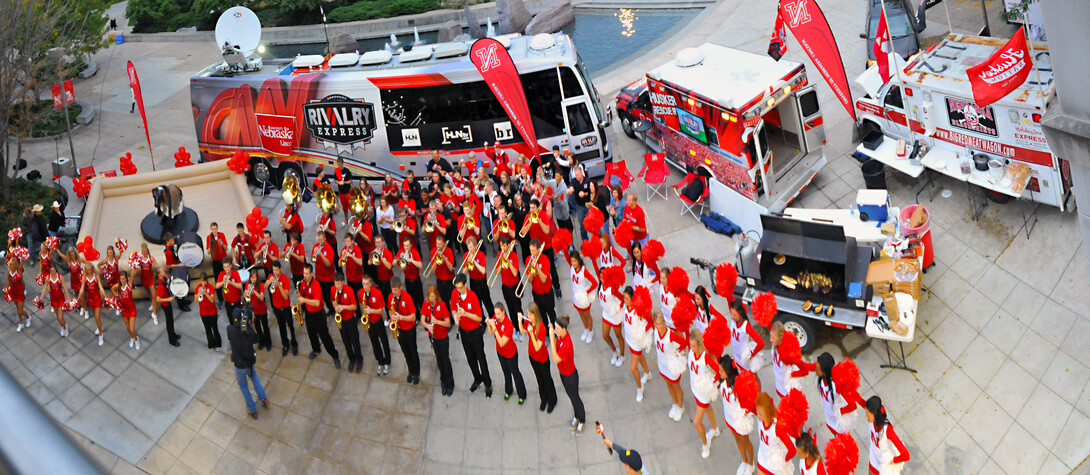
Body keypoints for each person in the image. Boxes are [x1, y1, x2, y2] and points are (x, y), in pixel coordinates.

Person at [453, 274, 492, 396]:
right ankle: (477, 378)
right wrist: (455, 314)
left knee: (481, 358)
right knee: (470, 358)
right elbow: (453, 307)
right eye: (457, 288)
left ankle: (487, 382)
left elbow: (479, 317)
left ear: (465, 285)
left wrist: (465, 313)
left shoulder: (472, 296)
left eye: (460, 287)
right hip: (464, 332)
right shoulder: (455, 294)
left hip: (475, 332)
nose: (458, 290)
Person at [226, 313, 270, 420]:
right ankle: (263, 398)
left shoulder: (230, 330)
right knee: (255, 379)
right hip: (249, 363)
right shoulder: (248, 331)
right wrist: (252, 323)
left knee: (243, 386)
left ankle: (252, 409)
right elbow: (256, 338)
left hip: (239, 365)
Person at [718, 355, 757, 474]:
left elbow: (750, 401)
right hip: (729, 417)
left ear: (728, 372)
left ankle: (751, 464)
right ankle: (744, 460)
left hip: (738, 420)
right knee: (737, 440)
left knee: (745, 441)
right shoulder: (723, 381)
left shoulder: (738, 385)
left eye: (721, 371)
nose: (719, 373)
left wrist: (745, 412)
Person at [298, 264, 341, 368]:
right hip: (309, 313)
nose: (305, 275)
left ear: (312, 274)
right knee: (311, 334)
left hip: (318, 314)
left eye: (307, 274)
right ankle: (316, 349)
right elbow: (302, 295)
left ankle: (335, 355)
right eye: (304, 273)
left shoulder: (316, 285)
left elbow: (317, 303)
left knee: (324, 336)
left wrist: (304, 300)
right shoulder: (302, 283)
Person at [688, 327, 721, 458]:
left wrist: (712, 384)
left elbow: (718, 371)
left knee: (697, 422)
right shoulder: (691, 352)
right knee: (708, 409)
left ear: (699, 345)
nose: (692, 348)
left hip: (703, 393)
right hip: (695, 388)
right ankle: (715, 429)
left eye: (694, 346)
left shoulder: (705, 357)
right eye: (690, 345)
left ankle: (705, 444)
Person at [518, 303, 557, 413]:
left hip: (542, 358)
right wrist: (520, 321)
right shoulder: (529, 322)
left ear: (535, 315)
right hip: (532, 357)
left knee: (547, 379)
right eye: (528, 314)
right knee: (539, 379)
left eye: (530, 314)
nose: (528, 316)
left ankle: (552, 400)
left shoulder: (542, 328)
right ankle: (543, 399)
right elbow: (522, 331)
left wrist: (531, 333)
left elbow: (537, 347)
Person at [550, 314, 585, 434]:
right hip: (563, 373)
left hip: (570, 376)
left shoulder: (567, 343)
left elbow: (555, 359)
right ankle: (577, 416)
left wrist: (550, 337)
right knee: (572, 398)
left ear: (564, 329)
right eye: (555, 327)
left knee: (576, 398)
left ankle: (582, 420)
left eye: (557, 329)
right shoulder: (560, 337)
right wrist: (553, 334)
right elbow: (556, 344)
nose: (555, 330)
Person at [487, 303, 526, 404]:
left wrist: (494, 328)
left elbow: (502, 342)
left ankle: (522, 394)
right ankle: (508, 390)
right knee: (506, 372)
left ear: (503, 312)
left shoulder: (508, 325)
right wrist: (489, 324)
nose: (497, 316)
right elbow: (491, 333)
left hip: (510, 353)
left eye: (499, 313)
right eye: (496, 313)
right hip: (500, 353)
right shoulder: (495, 318)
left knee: (515, 373)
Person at [816, 352, 863, 436]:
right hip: (828, 417)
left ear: (825, 372)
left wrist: (839, 412)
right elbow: (806, 366)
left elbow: (852, 405)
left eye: (817, 369)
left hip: (836, 421)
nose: (815, 370)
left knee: (841, 442)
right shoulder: (822, 377)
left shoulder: (836, 385)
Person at [654, 312, 688, 422]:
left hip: (671, 366)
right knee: (668, 385)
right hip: (662, 364)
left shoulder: (670, 334)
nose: (659, 326)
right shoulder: (655, 331)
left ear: (664, 323)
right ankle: (675, 403)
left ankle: (681, 406)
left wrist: (676, 352)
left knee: (676, 386)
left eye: (660, 323)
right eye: (657, 324)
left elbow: (683, 343)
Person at [622, 286, 653, 402]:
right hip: (629, 339)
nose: (625, 301)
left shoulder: (638, 310)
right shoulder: (625, 308)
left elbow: (650, 322)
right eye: (624, 298)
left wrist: (643, 332)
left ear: (632, 299)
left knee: (633, 367)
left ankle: (640, 387)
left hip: (636, 342)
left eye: (627, 299)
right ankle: (647, 373)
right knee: (640, 357)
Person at [421, 284, 454, 395]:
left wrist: (437, 321)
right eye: (430, 297)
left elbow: (448, 322)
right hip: (433, 336)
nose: (431, 299)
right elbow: (422, 319)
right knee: (439, 360)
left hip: (443, 337)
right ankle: (443, 381)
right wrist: (427, 325)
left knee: (445, 359)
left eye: (433, 297)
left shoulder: (442, 305)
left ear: (436, 296)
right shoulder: (426, 305)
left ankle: (450, 383)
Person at [770, 321, 815, 399]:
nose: (771, 340)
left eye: (773, 338)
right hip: (778, 383)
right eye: (770, 337)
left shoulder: (789, 354)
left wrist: (792, 375)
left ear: (780, 337)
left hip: (787, 389)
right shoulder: (775, 344)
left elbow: (805, 370)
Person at [866, 396, 910, 474]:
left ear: (876, 415)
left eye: (868, 416)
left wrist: (893, 460)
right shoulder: (871, 413)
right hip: (873, 459)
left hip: (884, 467)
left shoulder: (888, 431)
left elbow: (906, 455)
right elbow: (857, 398)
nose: (866, 417)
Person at [388, 278, 419, 384]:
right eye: (392, 290)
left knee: (413, 351)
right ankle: (411, 371)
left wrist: (400, 317)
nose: (394, 292)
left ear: (400, 287)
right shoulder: (390, 297)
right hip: (399, 329)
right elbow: (389, 309)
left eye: (396, 290)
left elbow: (413, 317)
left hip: (409, 329)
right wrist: (392, 317)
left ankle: (416, 373)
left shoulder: (407, 297)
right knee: (405, 352)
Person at [756, 392, 796, 475]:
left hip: (774, 466)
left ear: (767, 412)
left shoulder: (777, 428)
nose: (758, 416)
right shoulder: (759, 420)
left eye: (760, 414)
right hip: (762, 459)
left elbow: (792, 450)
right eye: (757, 413)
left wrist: (782, 461)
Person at [360, 275, 391, 375]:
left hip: (378, 321)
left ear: (371, 283)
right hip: (369, 322)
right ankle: (380, 361)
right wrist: (365, 312)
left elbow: (381, 310)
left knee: (384, 341)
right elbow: (362, 304)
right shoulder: (361, 293)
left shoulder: (377, 293)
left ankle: (387, 361)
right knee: (374, 343)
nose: (365, 286)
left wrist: (371, 310)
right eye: (363, 284)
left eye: (367, 284)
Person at [332, 273, 362, 373]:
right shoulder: (333, 290)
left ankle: (359, 359)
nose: (337, 286)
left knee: (355, 341)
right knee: (346, 341)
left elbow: (354, 306)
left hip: (350, 319)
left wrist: (343, 307)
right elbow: (333, 300)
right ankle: (351, 359)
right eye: (335, 283)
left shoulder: (349, 290)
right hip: (341, 320)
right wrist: (336, 308)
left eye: (339, 283)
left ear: (343, 282)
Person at [267, 261, 298, 356]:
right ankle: (285, 344)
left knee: (291, 326)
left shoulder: (285, 280)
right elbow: (264, 287)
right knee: (281, 327)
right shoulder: (271, 276)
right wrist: (269, 281)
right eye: (273, 270)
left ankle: (294, 344)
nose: (275, 272)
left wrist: (279, 285)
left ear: (280, 269)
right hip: (277, 307)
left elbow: (285, 296)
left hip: (285, 307)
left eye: (276, 270)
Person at [569, 252, 598, 344]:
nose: (573, 263)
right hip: (575, 296)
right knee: (580, 314)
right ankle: (586, 329)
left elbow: (595, 283)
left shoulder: (583, 270)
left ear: (578, 260)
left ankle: (590, 331)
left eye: (575, 261)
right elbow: (566, 253)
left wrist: (586, 293)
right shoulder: (571, 267)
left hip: (583, 297)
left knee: (587, 315)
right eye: (571, 261)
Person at [526, 239, 556, 327]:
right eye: (530, 250)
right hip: (536, 293)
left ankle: (555, 331)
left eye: (534, 250)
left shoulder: (545, 259)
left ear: (539, 249)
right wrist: (530, 273)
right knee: (541, 315)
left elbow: (543, 279)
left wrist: (537, 268)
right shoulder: (528, 260)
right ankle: (546, 333)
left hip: (547, 293)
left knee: (551, 314)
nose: (532, 253)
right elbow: (530, 280)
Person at [730, 299, 766, 372]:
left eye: (734, 315)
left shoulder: (746, 326)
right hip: (736, 356)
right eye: (731, 313)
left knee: (752, 379)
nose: (732, 317)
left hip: (744, 361)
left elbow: (761, 343)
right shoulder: (734, 321)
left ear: (741, 314)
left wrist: (751, 355)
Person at [599, 270, 625, 367]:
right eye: (601, 277)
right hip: (606, 314)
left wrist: (618, 308)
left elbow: (623, 298)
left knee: (619, 336)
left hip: (615, 315)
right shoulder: (601, 286)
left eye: (604, 277)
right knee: (605, 336)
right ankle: (615, 351)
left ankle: (622, 356)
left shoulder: (612, 289)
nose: (602, 279)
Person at [78, 262, 107, 345]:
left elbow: (100, 287)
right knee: (95, 317)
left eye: (90, 270)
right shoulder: (84, 277)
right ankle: (99, 327)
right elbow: (82, 288)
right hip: (90, 299)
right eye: (87, 270)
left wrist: (106, 297)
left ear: (92, 269)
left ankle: (101, 335)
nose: (89, 271)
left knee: (97, 317)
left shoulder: (96, 276)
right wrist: (78, 298)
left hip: (97, 298)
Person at [152, 267, 182, 347]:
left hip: (167, 303)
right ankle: (172, 339)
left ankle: (173, 334)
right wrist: (169, 299)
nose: (164, 273)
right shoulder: (160, 286)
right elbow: (158, 299)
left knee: (171, 320)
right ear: (158, 275)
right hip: (165, 305)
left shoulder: (164, 279)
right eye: (162, 272)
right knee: (169, 322)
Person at [40, 265, 71, 337]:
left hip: (60, 299)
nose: (52, 272)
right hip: (53, 299)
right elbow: (45, 288)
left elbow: (65, 289)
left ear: (56, 270)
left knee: (60, 317)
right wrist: (40, 298)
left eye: (53, 270)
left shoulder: (60, 277)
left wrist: (69, 299)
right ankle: (62, 326)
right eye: (51, 271)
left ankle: (65, 327)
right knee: (58, 317)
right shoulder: (48, 277)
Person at [195, 273, 222, 351]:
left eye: (204, 281)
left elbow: (212, 300)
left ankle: (218, 344)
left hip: (212, 312)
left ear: (207, 280)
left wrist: (205, 293)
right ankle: (211, 345)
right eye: (201, 281)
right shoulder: (198, 288)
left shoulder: (210, 287)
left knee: (215, 328)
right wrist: (198, 294)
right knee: (208, 329)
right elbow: (196, 300)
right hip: (203, 313)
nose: (203, 283)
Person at [398, 236, 425, 319]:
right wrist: (400, 258)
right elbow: (394, 263)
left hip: (416, 279)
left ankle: (424, 316)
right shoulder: (401, 251)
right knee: (412, 300)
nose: (405, 248)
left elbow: (420, 265)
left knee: (420, 299)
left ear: (410, 245)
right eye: (404, 246)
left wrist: (411, 260)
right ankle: (416, 317)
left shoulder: (415, 252)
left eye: (407, 246)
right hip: (407, 280)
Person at [311, 233, 336, 316]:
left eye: (321, 240)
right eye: (318, 240)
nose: (319, 242)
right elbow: (312, 260)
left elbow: (329, 264)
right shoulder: (316, 246)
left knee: (330, 296)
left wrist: (321, 254)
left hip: (328, 278)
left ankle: (334, 309)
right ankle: (330, 308)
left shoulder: (329, 248)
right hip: (319, 277)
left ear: (325, 239)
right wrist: (314, 253)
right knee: (324, 296)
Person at [58, 247, 87, 319]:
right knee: (77, 295)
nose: (72, 256)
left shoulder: (79, 260)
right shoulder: (69, 260)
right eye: (71, 255)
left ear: (75, 254)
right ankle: (81, 307)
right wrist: (56, 248)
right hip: (73, 281)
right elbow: (62, 256)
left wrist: (84, 273)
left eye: (73, 254)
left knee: (82, 297)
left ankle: (86, 310)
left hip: (80, 281)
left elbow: (88, 263)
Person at [246, 270, 271, 351]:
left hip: (262, 309)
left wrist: (254, 292)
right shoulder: (248, 285)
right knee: (257, 327)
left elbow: (261, 297)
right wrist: (248, 291)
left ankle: (268, 342)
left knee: (265, 326)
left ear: (257, 277)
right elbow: (244, 295)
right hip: (254, 310)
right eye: (251, 278)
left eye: (254, 277)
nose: (253, 279)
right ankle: (261, 341)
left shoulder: (261, 285)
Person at [117, 271, 140, 350]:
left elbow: (133, 273)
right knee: (127, 328)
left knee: (132, 329)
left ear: (126, 279)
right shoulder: (119, 287)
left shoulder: (129, 285)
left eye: (123, 279)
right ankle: (132, 338)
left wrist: (134, 261)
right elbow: (113, 289)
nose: (122, 280)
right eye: (120, 279)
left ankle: (136, 339)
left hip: (132, 310)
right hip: (124, 310)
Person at [206, 222, 229, 302]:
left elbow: (226, 248)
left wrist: (222, 243)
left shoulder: (221, 235)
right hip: (215, 261)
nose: (214, 231)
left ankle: (228, 296)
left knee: (227, 278)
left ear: (217, 228)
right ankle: (220, 299)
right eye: (213, 229)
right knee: (217, 280)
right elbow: (208, 252)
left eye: (215, 229)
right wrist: (210, 244)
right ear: (211, 229)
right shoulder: (209, 237)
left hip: (223, 261)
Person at [216, 259, 244, 324]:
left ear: (231, 266)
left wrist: (231, 283)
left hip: (237, 303)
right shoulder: (221, 274)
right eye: (224, 267)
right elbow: (217, 286)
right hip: (228, 303)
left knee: (239, 321)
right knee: (231, 321)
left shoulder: (235, 273)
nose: (226, 269)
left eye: (228, 266)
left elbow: (240, 286)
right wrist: (223, 281)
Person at [7, 254, 30, 331]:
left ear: (16, 265)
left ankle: (28, 317)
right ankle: (21, 323)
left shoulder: (19, 271)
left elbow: (21, 265)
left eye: (12, 265)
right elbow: (8, 280)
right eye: (10, 265)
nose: (11, 266)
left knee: (20, 310)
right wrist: (7, 289)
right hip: (13, 292)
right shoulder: (9, 271)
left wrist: (21, 259)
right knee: (18, 309)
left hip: (20, 292)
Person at [334, 156, 354, 225]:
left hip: (348, 192)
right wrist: (339, 182)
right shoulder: (336, 171)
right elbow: (335, 180)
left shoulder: (347, 171)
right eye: (338, 164)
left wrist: (344, 182)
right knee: (344, 208)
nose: (339, 165)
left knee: (351, 208)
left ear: (343, 163)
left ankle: (354, 220)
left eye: (340, 164)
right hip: (341, 193)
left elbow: (350, 181)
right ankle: (346, 219)